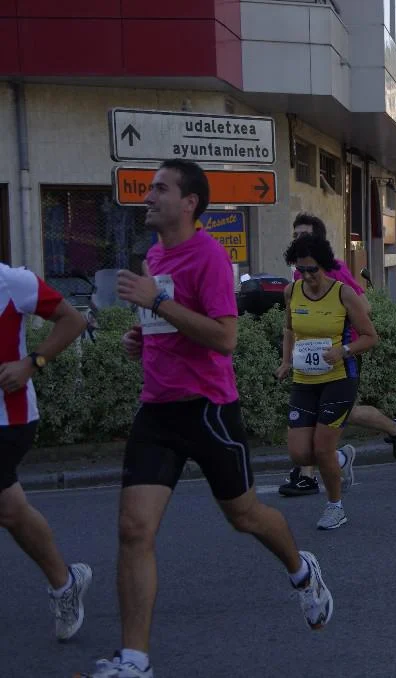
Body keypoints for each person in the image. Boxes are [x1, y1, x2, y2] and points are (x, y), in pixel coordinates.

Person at [82, 160, 332, 678]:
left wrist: (158, 302)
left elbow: (224, 337)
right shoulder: (154, 255)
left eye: (160, 189)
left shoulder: (210, 257)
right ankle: (135, 661)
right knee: (133, 529)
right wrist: (141, 335)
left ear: (189, 202)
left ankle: (301, 569)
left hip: (208, 410)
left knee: (245, 516)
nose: (149, 196)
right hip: (157, 410)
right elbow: (166, 323)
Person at [278, 213, 396, 497]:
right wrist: (287, 360)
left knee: (329, 427)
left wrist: (343, 344)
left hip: (342, 357)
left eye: (304, 235)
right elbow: (289, 326)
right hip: (308, 369)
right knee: (322, 430)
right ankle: (334, 459)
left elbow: (365, 309)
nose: (299, 240)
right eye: (295, 235)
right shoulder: (296, 281)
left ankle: (317, 478)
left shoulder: (335, 272)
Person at [0, 264, 92, 641]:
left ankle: (64, 583)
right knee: (10, 510)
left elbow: (74, 321)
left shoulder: (13, 282)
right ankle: (64, 583)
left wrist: (31, 363)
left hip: (9, 419)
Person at [275, 234, 378, 529]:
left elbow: (371, 337)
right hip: (304, 379)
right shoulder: (291, 291)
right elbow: (289, 329)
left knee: (321, 448)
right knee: (299, 453)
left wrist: (343, 350)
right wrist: (286, 361)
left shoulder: (344, 294)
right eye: (301, 270)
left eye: (312, 270)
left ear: (324, 265)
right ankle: (340, 459)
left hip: (339, 378)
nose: (307, 276)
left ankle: (335, 506)